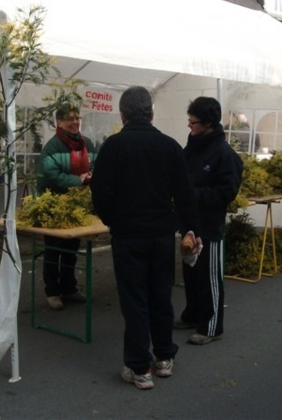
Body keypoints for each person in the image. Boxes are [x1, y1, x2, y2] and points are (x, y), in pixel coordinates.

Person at [90, 86, 199, 390]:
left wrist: (113, 220)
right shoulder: (169, 146)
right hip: (161, 235)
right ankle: (164, 358)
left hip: (128, 236)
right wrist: (185, 226)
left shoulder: (112, 146)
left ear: (122, 115)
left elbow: (100, 193)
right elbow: (185, 194)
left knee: (134, 300)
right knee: (160, 296)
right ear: (151, 113)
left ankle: (140, 368)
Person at [176, 97, 243, 346]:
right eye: (189, 121)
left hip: (209, 226)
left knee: (210, 277)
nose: (190, 126)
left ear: (208, 123)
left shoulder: (225, 155)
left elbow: (227, 192)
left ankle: (213, 326)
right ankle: (193, 314)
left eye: (193, 122)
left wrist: (193, 194)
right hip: (189, 225)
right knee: (191, 274)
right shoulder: (191, 147)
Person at [37, 102, 96, 310]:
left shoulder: (87, 143)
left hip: (77, 206)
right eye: (69, 119)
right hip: (54, 207)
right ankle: (52, 291)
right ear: (59, 122)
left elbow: (96, 164)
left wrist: (91, 175)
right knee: (54, 250)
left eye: (77, 118)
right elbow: (50, 176)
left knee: (72, 248)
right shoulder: (52, 147)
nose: (74, 122)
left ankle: (69, 288)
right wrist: (78, 180)